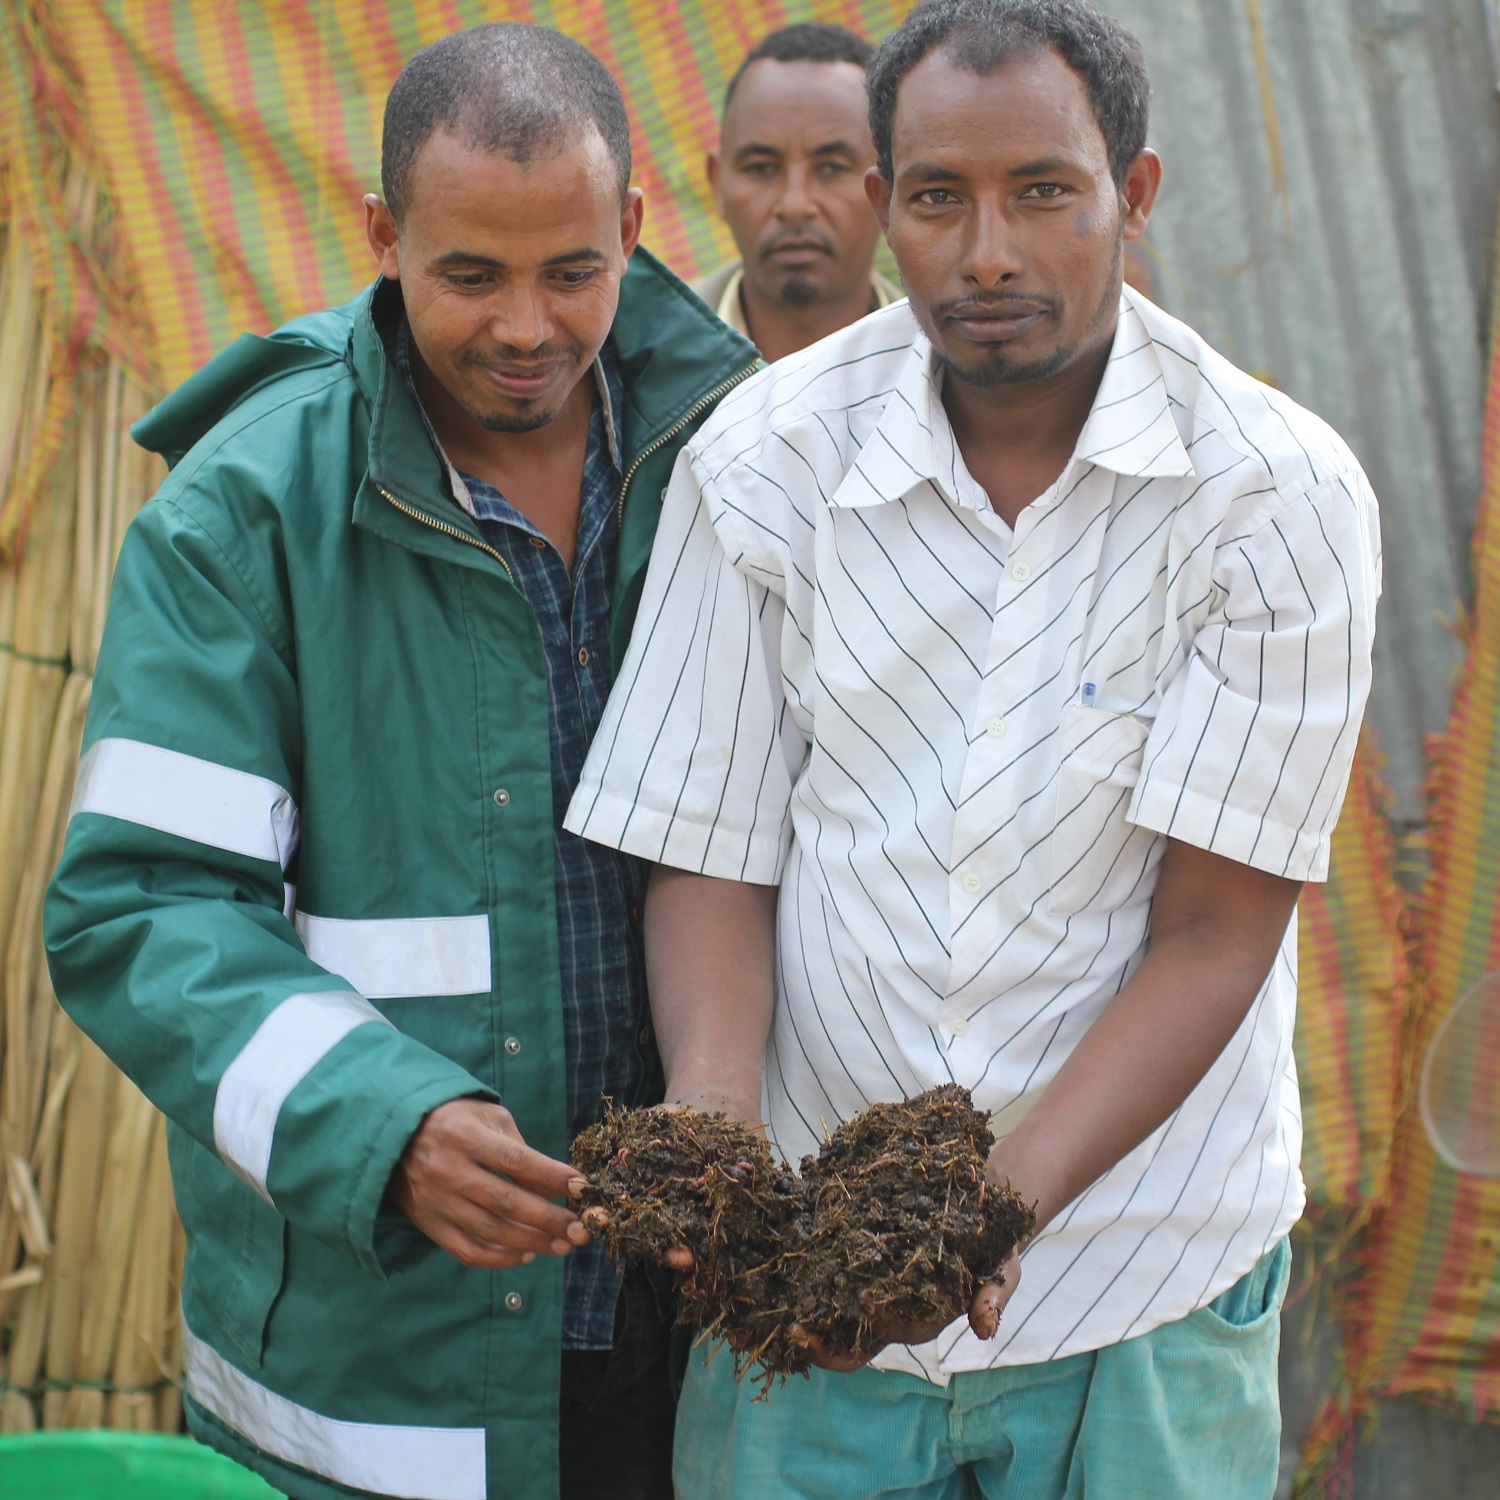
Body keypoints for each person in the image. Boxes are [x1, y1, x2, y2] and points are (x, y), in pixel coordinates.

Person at [566, 2, 1381, 1497]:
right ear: (889, 201)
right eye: (939, 197)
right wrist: (717, 1132)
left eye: (1044, 193)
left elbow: (1212, 935)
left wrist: (982, 1216)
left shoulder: (1273, 495)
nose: (987, 250)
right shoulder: (765, 464)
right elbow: (709, 851)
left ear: (1132, 194)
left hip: (1147, 1287)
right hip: (815, 1312)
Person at [44, 23, 757, 1500]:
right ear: (383, 237)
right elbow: (140, 914)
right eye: (467, 275)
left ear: (632, 226)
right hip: (393, 1363)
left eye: (571, 271)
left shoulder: (738, 455)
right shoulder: (244, 513)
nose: (523, 327)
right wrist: (386, 1120)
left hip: (704, 1328)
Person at [692, 22, 902, 361]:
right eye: (761, 168)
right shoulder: (638, 361)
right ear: (718, 183)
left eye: (832, 168)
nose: (795, 205)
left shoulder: (945, 363)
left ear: (888, 191)